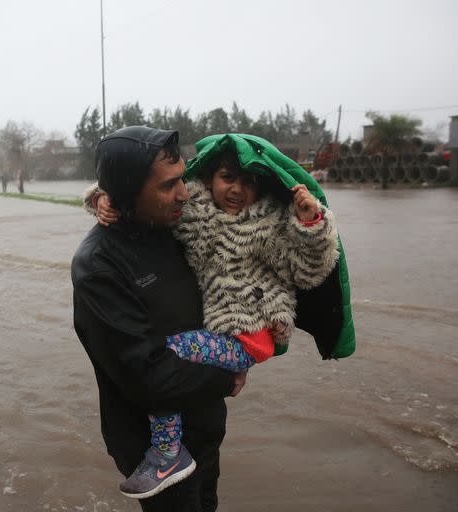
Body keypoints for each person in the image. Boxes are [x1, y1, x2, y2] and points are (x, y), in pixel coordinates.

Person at [88, 134, 346, 498]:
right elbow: (139, 196)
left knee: (172, 351)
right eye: (228, 178)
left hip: (248, 335)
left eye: (249, 181)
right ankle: (169, 451)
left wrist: (311, 225)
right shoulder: (187, 214)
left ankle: (166, 451)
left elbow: (306, 271)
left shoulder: (268, 225)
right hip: (212, 358)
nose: (238, 189)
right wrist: (103, 198)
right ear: (208, 179)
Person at [71, 126, 250, 511]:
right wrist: (227, 376)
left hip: (205, 428)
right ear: (125, 195)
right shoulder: (99, 268)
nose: (184, 193)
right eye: (169, 185)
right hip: (156, 455)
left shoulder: (178, 227)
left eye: (183, 179)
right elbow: (147, 378)